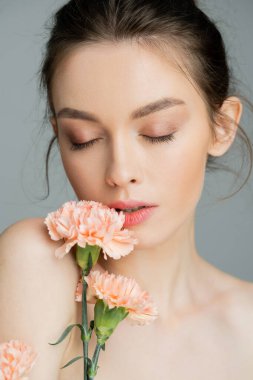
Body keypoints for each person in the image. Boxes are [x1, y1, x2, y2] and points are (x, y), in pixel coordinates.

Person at [1, 0, 253, 379]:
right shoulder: (35, 263)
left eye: (158, 132)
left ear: (221, 126)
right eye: (83, 139)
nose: (120, 172)